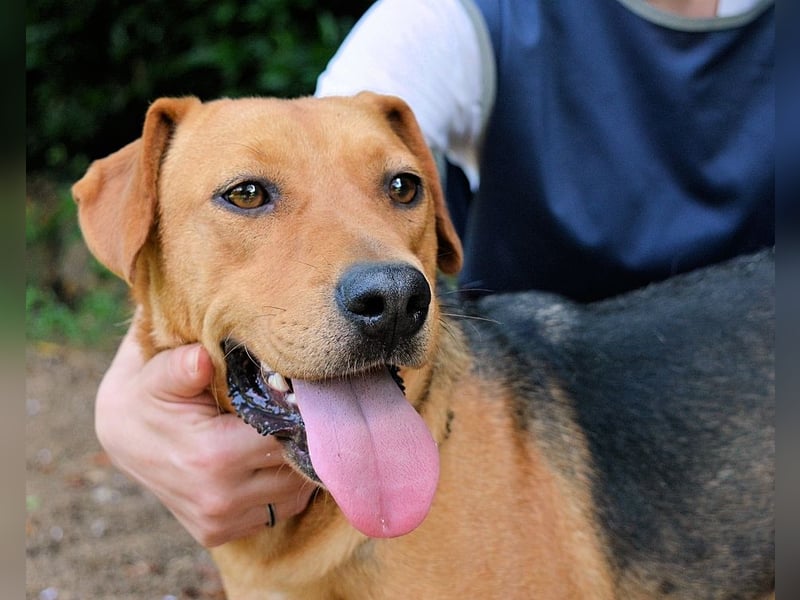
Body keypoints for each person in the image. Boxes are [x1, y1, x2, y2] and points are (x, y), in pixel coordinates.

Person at [94, 0, 774, 547]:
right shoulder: (458, 17)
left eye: (398, 189)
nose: (388, 274)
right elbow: (314, 138)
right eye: (248, 195)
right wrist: (121, 409)